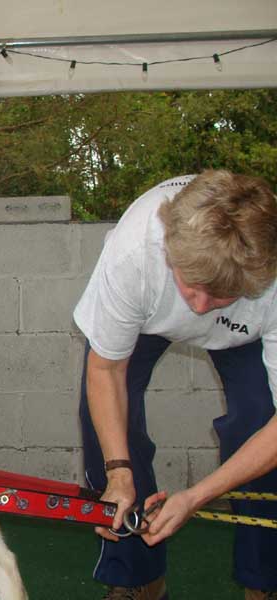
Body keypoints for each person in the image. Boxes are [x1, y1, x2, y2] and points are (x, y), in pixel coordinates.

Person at [73, 170, 277, 600]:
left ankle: (264, 584)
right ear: (170, 251)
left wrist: (198, 495)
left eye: (218, 294)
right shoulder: (136, 253)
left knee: (257, 421)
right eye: (192, 285)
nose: (199, 308)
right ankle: (138, 582)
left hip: (247, 333)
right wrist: (118, 472)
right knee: (107, 433)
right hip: (148, 316)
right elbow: (106, 370)